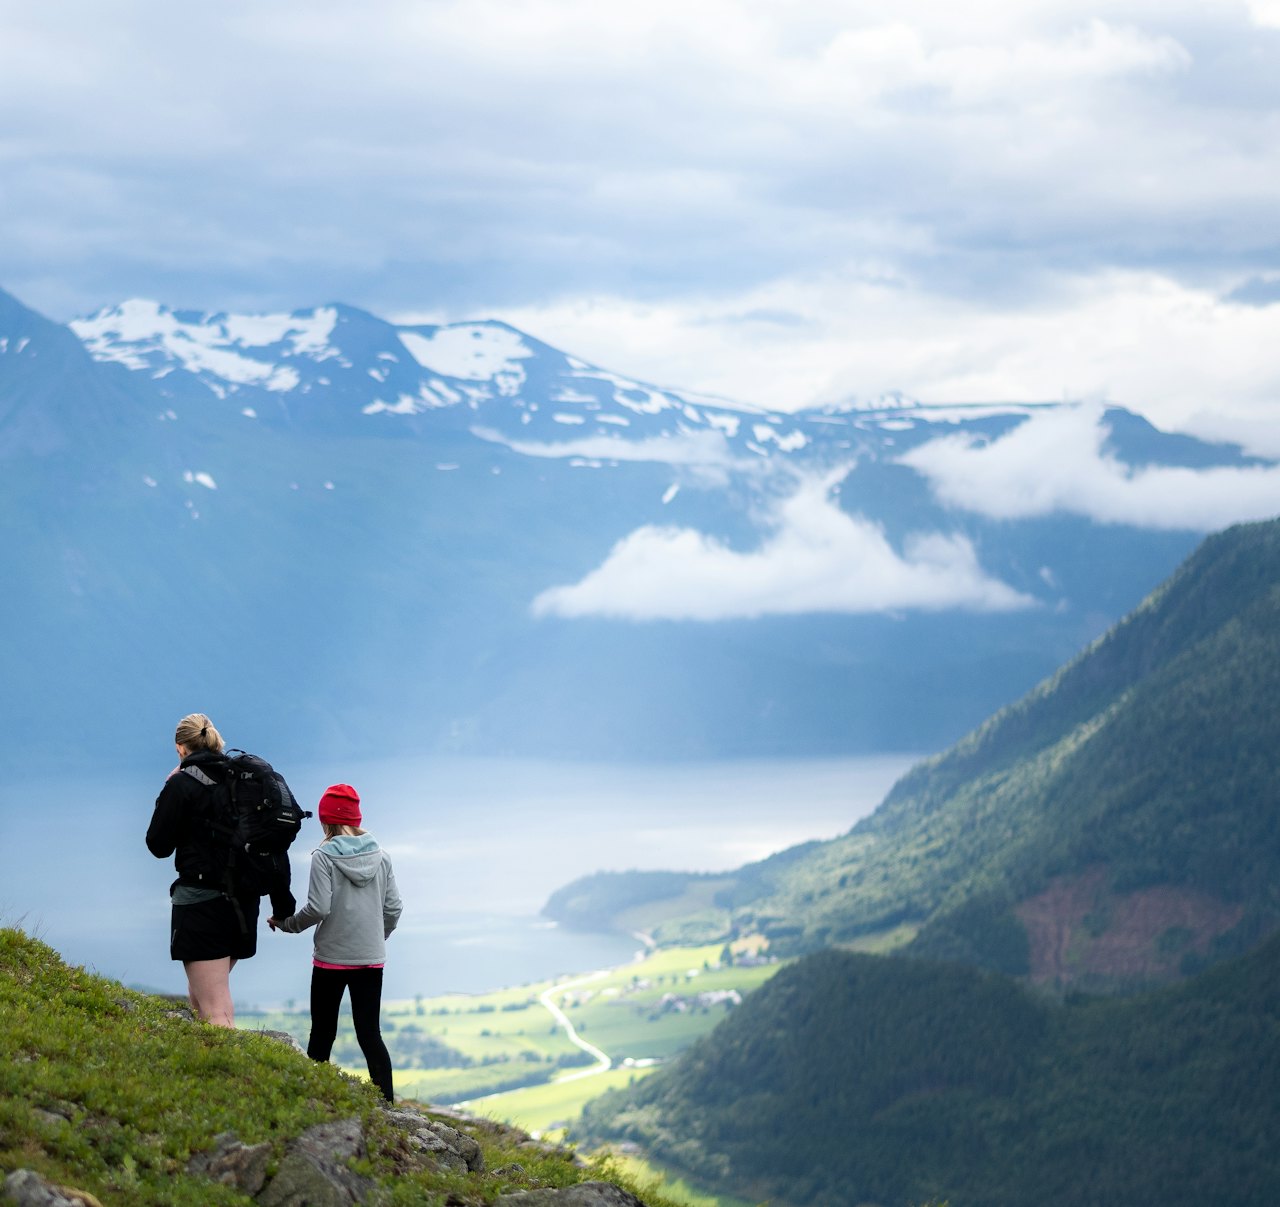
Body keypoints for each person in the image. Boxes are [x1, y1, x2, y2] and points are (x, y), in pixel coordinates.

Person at [145, 712, 296, 1027]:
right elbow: (270, 846)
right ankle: (208, 1070)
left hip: (203, 904)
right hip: (244, 905)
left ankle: (233, 1074)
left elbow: (158, 845)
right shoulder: (243, 780)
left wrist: (168, 788)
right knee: (203, 997)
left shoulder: (183, 783)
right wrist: (283, 906)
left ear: (180, 748)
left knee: (216, 1010)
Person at [269, 783, 403, 1102]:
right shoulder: (382, 856)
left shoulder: (323, 857)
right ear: (356, 817)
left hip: (331, 959)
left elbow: (318, 908)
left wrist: (288, 924)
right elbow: (394, 907)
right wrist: (377, 935)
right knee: (370, 1035)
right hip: (370, 959)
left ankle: (313, 1100)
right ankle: (389, 1105)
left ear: (326, 820)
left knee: (323, 1032)